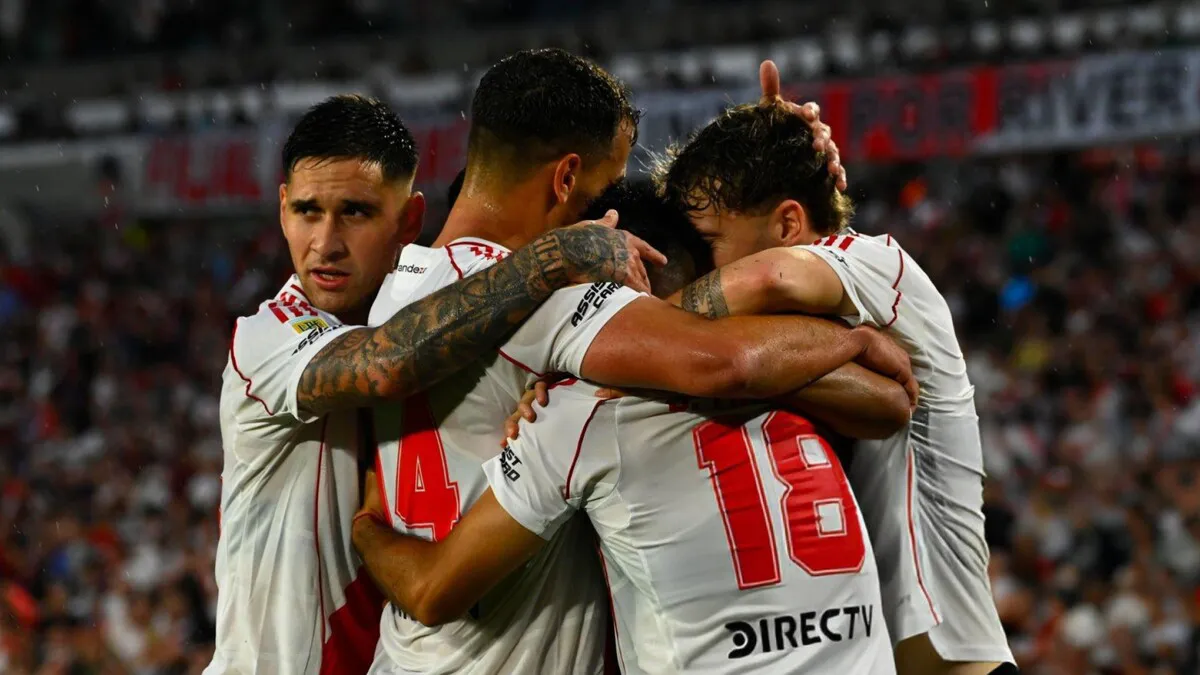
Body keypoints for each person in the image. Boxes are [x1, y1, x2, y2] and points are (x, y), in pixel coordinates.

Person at [352, 49, 914, 675]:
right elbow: (728, 364)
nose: (608, 214)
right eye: (605, 188)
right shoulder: (558, 307)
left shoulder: (393, 295)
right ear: (566, 178)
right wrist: (848, 338)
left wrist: (368, 524)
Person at [208, 94, 663, 675]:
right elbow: (385, 364)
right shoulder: (267, 335)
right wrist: (553, 256)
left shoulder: (440, 314)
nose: (325, 243)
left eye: (355, 212)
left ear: (410, 221)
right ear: (281, 209)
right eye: (306, 211)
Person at [658, 101, 1017, 675]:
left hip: (953, 661)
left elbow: (770, 276)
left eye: (710, 241)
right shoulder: (777, 341)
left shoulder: (878, 264)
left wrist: (616, 332)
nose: (701, 265)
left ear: (787, 226)